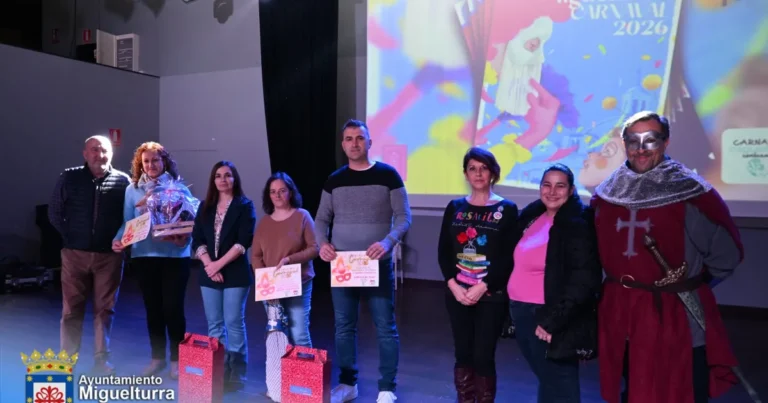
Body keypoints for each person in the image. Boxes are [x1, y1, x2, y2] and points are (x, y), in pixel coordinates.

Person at [591, 111, 744, 403]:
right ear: (624, 144)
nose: (641, 148)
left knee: (682, 388)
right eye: (633, 140)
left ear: (666, 142)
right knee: (633, 387)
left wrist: (690, 286)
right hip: (623, 316)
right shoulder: (608, 194)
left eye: (651, 140)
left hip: (675, 315)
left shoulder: (689, 192)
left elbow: (726, 257)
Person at [315, 119, 412, 403]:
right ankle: (348, 384)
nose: (354, 143)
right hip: (343, 267)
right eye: (349, 138)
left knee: (385, 326)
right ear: (343, 144)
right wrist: (322, 245)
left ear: (369, 143)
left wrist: (387, 242)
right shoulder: (334, 180)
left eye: (360, 138)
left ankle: (387, 388)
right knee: (344, 326)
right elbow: (321, 219)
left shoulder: (389, 175)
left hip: (376, 266)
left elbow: (404, 217)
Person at [508, 163, 602, 403]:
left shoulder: (577, 224)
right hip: (522, 310)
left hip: (549, 316)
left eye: (560, 186)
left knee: (561, 382)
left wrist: (553, 321)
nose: (552, 191)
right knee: (548, 379)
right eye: (547, 185)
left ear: (571, 190)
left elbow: (583, 279)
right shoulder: (533, 215)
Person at [437, 147, 518, 403]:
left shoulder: (507, 209)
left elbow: (508, 256)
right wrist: (453, 285)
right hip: (457, 293)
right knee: (463, 354)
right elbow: (444, 251)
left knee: (483, 355)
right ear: (465, 173)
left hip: (491, 295)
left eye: (484, 168)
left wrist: (483, 286)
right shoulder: (455, 207)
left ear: (493, 173)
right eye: (472, 168)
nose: (478, 173)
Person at [48, 135, 130, 375]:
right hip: (75, 255)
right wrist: (71, 238)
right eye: (94, 150)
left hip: (109, 258)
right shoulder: (69, 177)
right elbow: (54, 211)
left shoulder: (123, 181)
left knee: (105, 310)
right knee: (71, 310)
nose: (99, 154)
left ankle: (101, 360)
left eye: (104, 150)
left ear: (111, 154)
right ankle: (66, 361)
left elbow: (129, 219)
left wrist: (121, 241)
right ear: (85, 153)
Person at [112, 142, 194, 379]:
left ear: (164, 162)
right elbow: (127, 222)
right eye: (146, 161)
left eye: (156, 160)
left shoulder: (179, 188)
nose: (151, 165)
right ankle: (157, 359)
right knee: (153, 310)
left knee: (173, 309)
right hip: (144, 257)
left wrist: (183, 241)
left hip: (175, 258)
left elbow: (189, 224)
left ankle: (178, 361)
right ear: (140, 165)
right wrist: (119, 240)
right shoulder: (132, 190)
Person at [191, 161, 256, 389]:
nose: (223, 179)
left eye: (228, 175)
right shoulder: (204, 207)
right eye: (218, 175)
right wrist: (210, 265)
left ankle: (237, 374)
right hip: (209, 272)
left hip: (235, 274)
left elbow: (242, 243)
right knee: (215, 325)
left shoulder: (245, 206)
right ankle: (218, 370)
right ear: (213, 180)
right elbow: (197, 239)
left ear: (234, 179)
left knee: (234, 322)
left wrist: (218, 265)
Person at [252, 172, 318, 347]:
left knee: (300, 334)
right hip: (272, 288)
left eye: (282, 190)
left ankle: (304, 374)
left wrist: (290, 259)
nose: (277, 195)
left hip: (299, 283)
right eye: (273, 192)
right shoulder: (264, 223)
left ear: (291, 192)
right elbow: (256, 256)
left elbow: (314, 248)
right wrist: (265, 282)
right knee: (278, 335)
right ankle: (282, 374)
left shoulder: (303, 216)